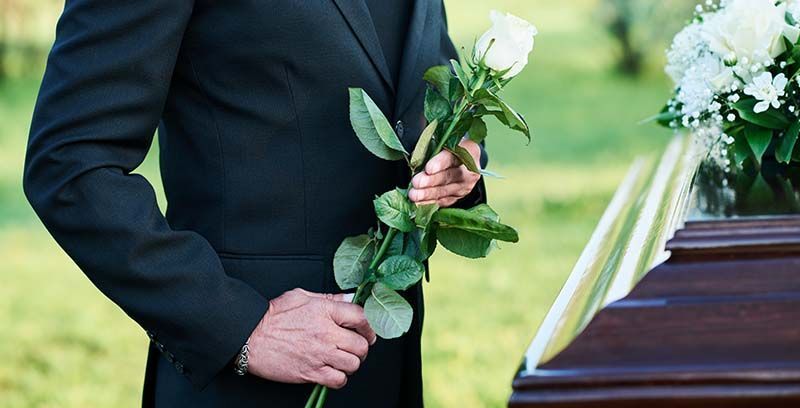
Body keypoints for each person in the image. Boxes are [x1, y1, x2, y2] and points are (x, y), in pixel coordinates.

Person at [23, 0, 487, 406]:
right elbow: (69, 162)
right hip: (246, 379)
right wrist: (240, 328)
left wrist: (460, 161)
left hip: (389, 363)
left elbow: (418, 83)